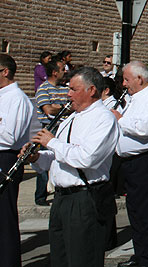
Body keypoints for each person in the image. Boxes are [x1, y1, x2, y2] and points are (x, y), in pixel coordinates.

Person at [23, 66, 118, 267]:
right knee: (60, 259)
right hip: (62, 199)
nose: (68, 94)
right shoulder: (71, 118)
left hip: (85, 198)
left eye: (74, 89)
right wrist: (36, 157)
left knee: (82, 259)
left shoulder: (104, 119)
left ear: (91, 90)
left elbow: (86, 158)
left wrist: (52, 142)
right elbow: (59, 158)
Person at [112, 61, 148, 267]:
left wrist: (119, 119)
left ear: (140, 78)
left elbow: (145, 129)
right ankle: (141, 255)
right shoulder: (133, 99)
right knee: (136, 213)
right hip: (131, 162)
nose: (124, 84)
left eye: (127, 79)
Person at [0, 54, 35, 267]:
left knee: (5, 219)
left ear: (5, 72)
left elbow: (10, 136)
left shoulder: (17, 98)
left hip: (6, 158)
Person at [34, 56, 69, 206]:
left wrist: (59, 108)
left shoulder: (65, 89)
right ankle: (41, 196)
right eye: (62, 69)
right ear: (54, 72)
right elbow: (48, 109)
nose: (65, 72)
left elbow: (73, 107)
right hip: (49, 128)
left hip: (63, 128)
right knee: (44, 160)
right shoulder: (43, 89)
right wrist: (63, 108)